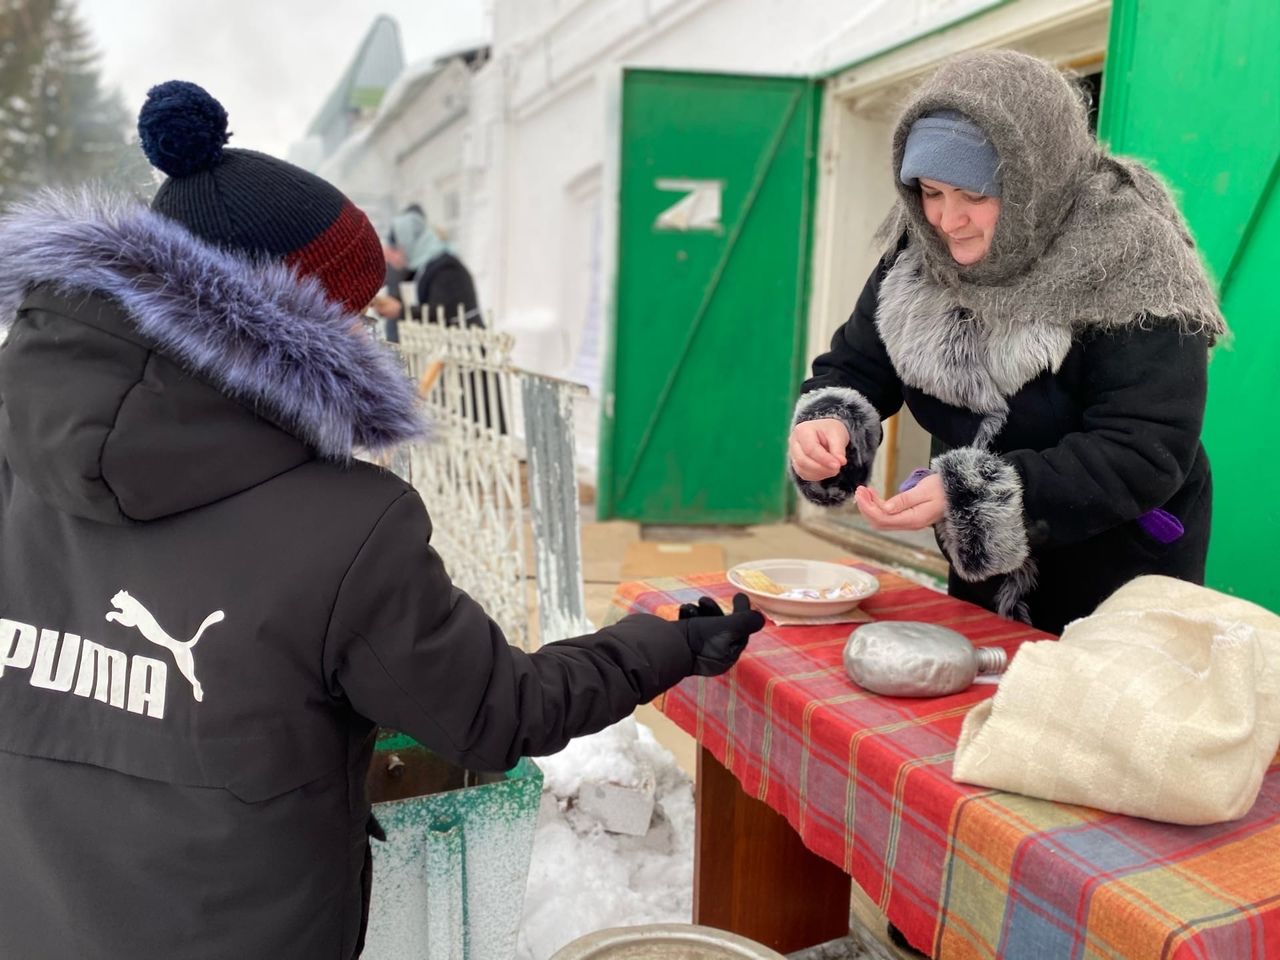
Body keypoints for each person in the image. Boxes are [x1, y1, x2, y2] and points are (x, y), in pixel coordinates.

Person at [0, 81, 763, 960]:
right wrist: (659, 642)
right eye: (353, 315)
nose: (369, 338)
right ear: (292, 324)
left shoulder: (19, 447)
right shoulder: (345, 528)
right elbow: (495, 711)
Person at [788, 51, 1224, 635]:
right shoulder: (918, 253)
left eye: (975, 195)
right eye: (930, 191)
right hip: (978, 566)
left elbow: (1146, 448)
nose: (947, 220)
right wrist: (830, 423)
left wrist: (973, 494)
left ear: (1031, 179)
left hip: (1117, 575)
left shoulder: (1131, 260)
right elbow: (858, 364)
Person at [374, 204, 480, 338]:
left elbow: (439, 312)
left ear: (410, 243)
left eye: (397, 249)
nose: (395, 257)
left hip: (463, 347)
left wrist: (400, 311)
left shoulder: (446, 267)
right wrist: (387, 302)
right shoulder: (421, 266)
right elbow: (413, 295)